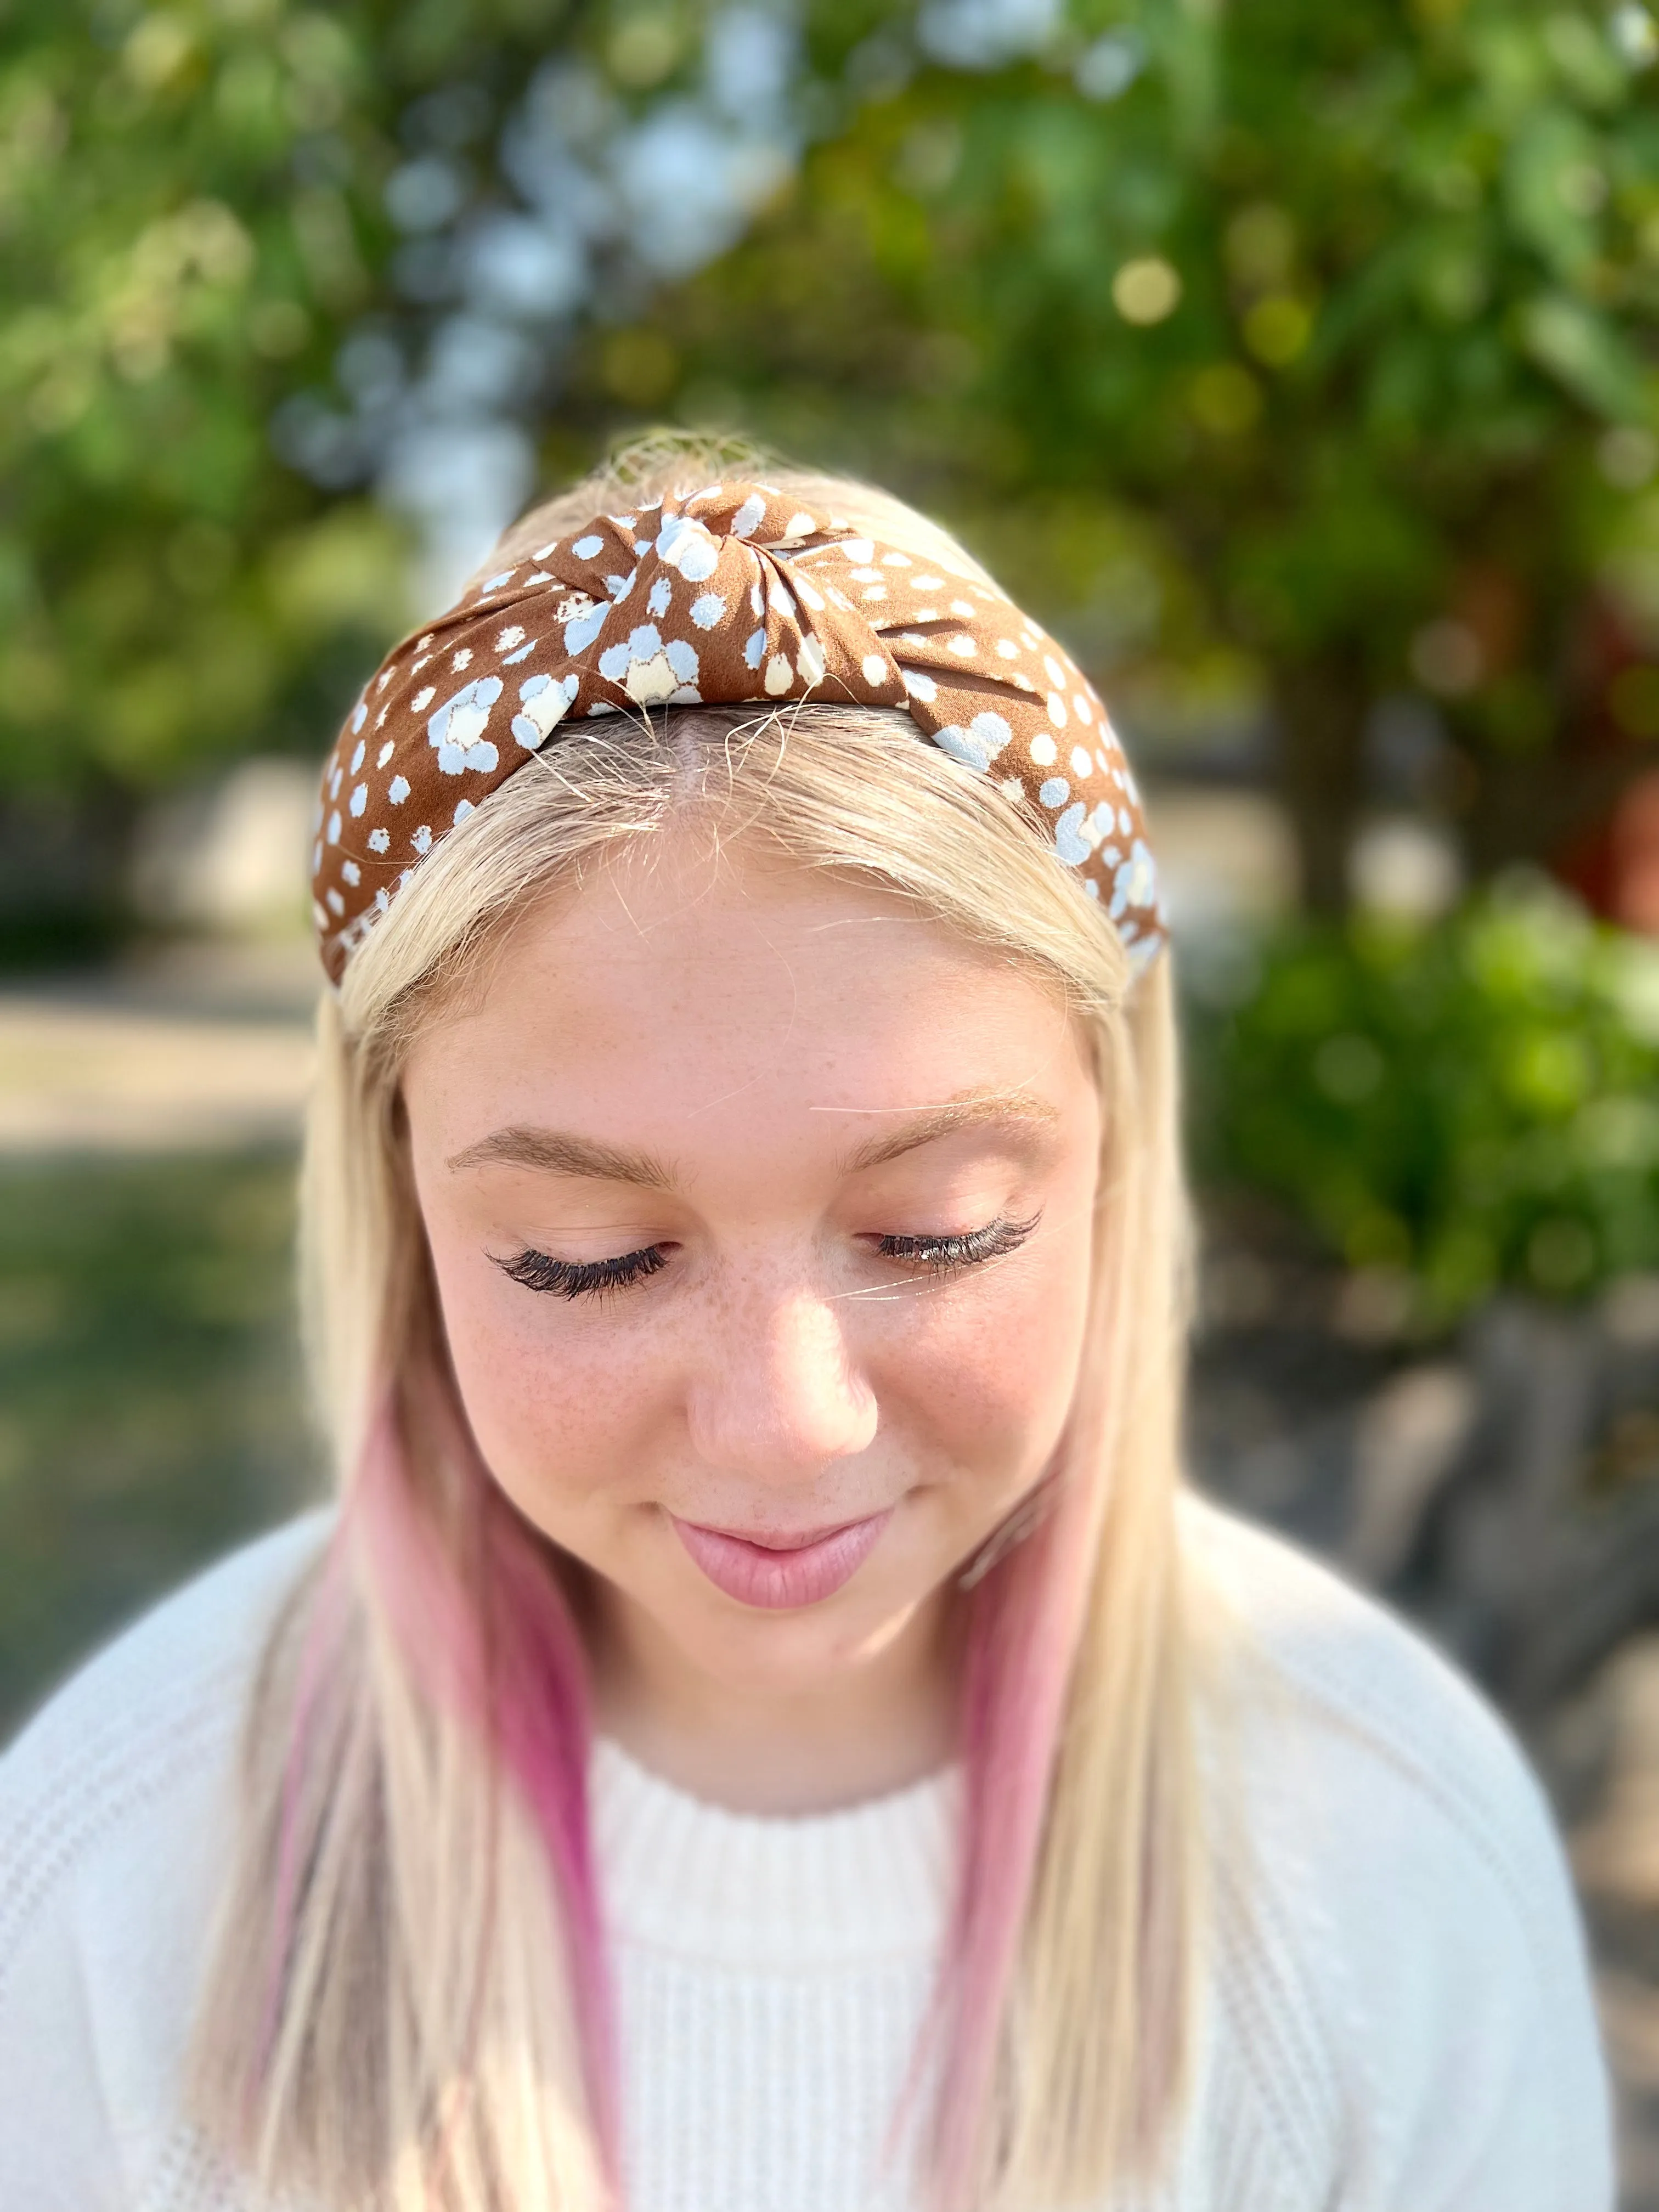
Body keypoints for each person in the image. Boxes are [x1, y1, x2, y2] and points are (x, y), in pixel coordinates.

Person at [0, 436, 1614, 2212]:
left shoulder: (1387, 1854)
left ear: (1109, 1166)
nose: (789, 1425)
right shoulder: (122, 1870)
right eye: (589, 1256)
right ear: (399, 1203)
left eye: (938, 1235)